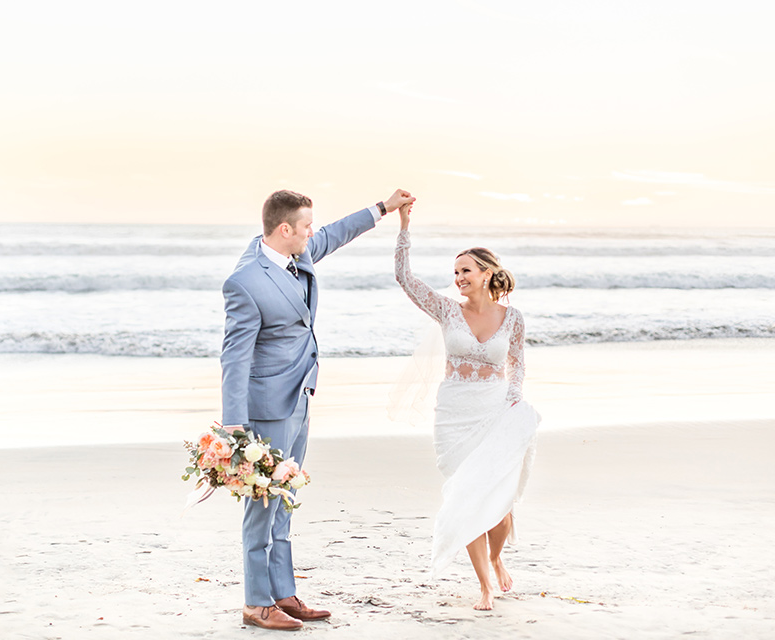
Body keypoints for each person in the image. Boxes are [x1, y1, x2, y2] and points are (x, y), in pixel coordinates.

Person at [221, 188, 415, 630]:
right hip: (266, 406)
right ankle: (255, 602)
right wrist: (234, 424)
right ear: (285, 229)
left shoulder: (297, 254)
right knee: (263, 502)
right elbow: (234, 356)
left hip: (300, 396)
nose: (314, 232)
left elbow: (337, 233)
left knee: (286, 498)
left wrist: (384, 207)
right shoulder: (245, 280)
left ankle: (283, 592)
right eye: (306, 226)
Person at [394, 202, 539, 610]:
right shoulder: (446, 310)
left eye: (466, 271)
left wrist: (514, 398)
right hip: (454, 415)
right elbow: (404, 278)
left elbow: (518, 363)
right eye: (455, 272)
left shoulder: (513, 318)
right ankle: (485, 585)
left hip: (495, 410)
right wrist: (404, 226)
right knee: (466, 495)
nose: (458, 278)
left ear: (487, 273)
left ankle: (496, 557)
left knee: (500, 501)